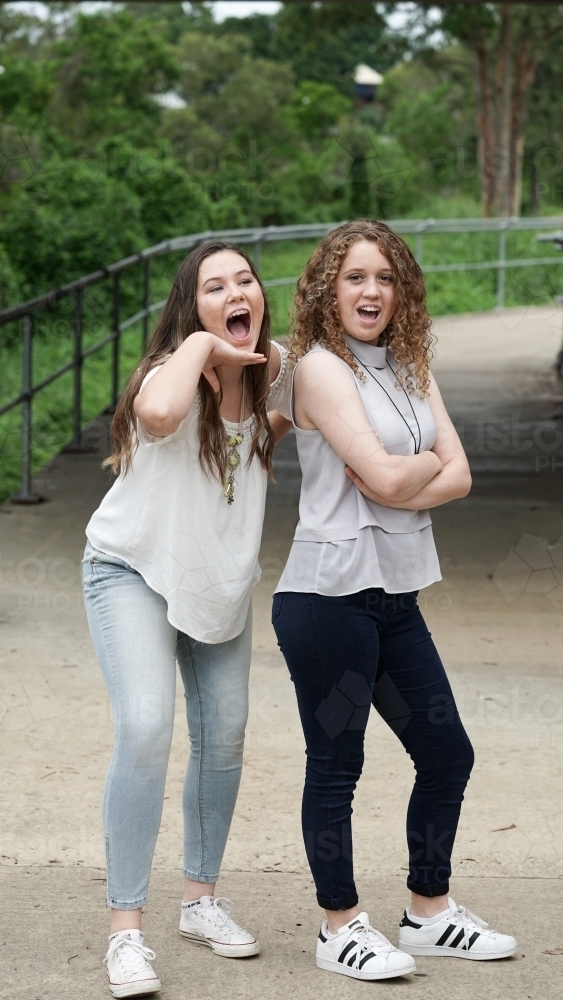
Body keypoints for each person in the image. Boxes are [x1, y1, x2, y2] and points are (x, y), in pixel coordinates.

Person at [272, 220, 517, 981]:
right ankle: (337, 927)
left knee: (446, 753)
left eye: (384, 278)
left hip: (394, 596)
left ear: (401, 289)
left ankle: (427, 913)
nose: (370, 291)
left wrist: (397, 471)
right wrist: (415, 470)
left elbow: (458, 475)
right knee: (337, 763)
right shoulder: (318, 369)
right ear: (327, 288)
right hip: (327, 598)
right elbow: (393, 479)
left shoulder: (411, 364)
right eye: (354, 277)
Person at [82, 241, 292, 998]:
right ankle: (126, 932)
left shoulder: (279, 374)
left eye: (244, 282)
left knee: (225, 735)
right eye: (213, 287)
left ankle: (199, 900)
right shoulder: (165, 375)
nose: (235, 292)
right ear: (189, 307)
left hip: (218, 588)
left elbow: (345, 409)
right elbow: (165, 412)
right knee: (144, 726)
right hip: (129, 570)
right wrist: (204, 343)